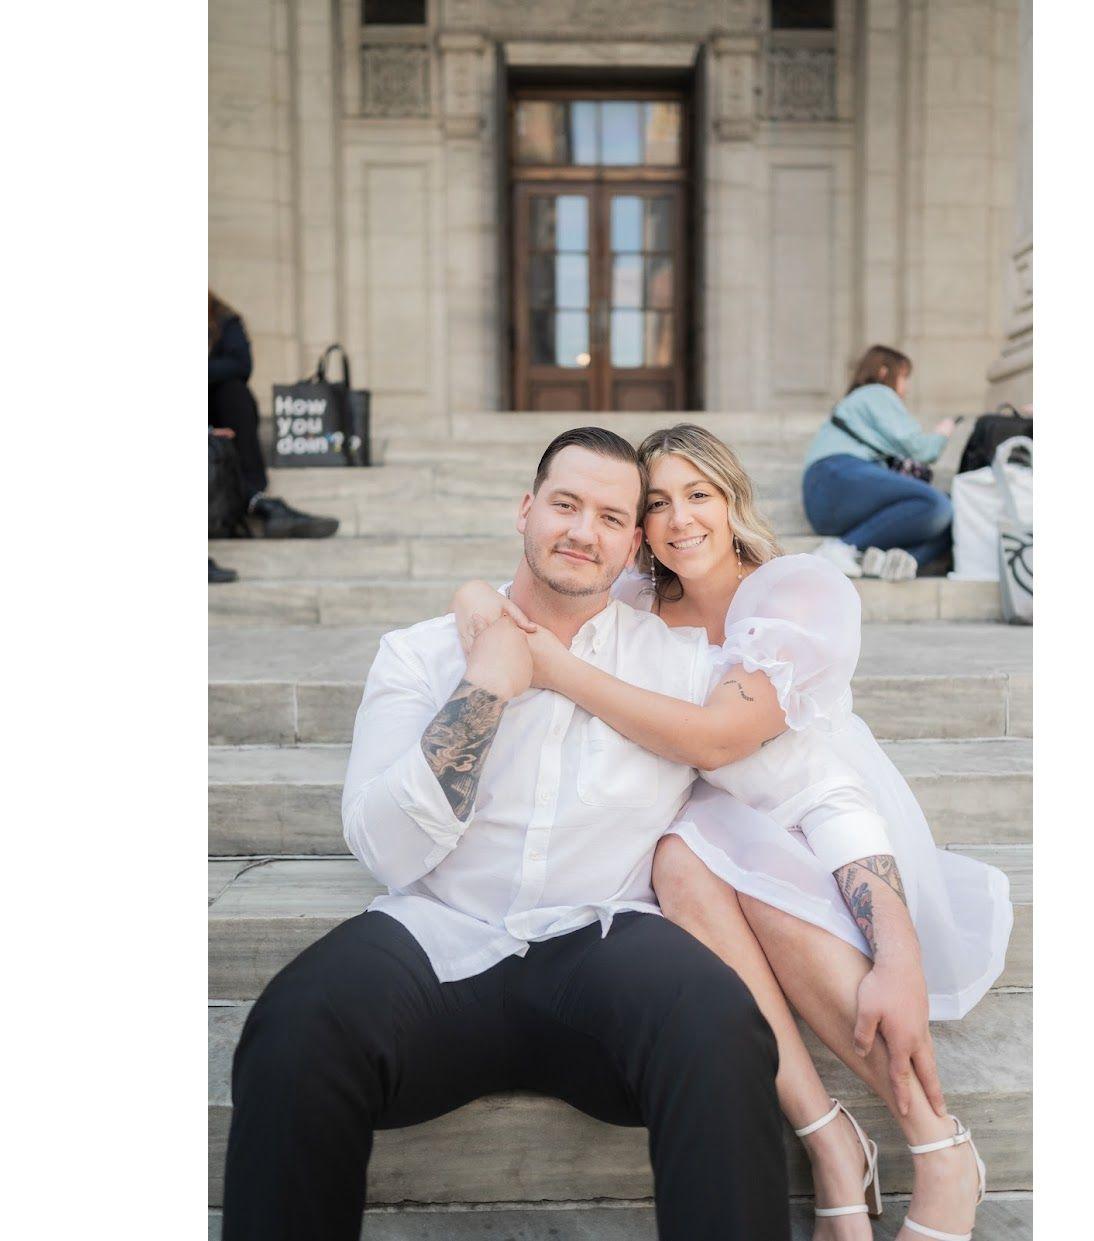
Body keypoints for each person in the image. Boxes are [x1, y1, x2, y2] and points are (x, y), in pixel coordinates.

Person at [222, 428, 794, 1241]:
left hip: (601, 940)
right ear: (525, 509)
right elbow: (385, 851)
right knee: (293, 1027)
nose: (580, 531)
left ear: (633, 543)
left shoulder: (674, 666)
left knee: (718, 1022)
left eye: (608, 516)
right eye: (564, 504)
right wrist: (486, 683)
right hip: (438, 932)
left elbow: (794, 777)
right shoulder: (418, 655)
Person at [453, 424, 1010, 1241]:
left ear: (732, 499)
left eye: (698, 495)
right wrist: (473, 596)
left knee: (702, 847)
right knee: (679, 849)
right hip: (712, 841)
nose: (679, 520)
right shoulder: (640, 603)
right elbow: (527, 594)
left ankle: (939, 1143)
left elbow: (790, 774)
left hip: (828, 829)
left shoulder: (798, 594)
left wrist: (897, 951)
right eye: (657, 503)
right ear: (637, 527)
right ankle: (826, 1137)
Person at [802, 345, 957, 582]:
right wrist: (942, 434)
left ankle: (899, 561)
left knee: (952, 511)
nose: (904, 391)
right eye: (904, 378)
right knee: (937, 503)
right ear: (885, 372)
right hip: (836, 477)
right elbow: (919, 448)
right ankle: (842, 548)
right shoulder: (876, 392)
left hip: (831, 499)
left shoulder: (858, 405)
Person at [209, 290, 340, 540]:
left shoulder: (224, 320)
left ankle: (254, 495)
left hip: (219, 410)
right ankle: (257, 504)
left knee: (234, 392)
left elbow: (241, 365)